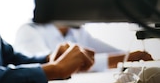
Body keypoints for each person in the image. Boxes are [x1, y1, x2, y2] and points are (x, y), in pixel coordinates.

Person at [15, 22, 153, 71]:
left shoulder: (77, 31)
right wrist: (126, 58)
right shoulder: (30, 31)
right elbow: (52, 67)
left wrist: (131, 55)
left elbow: (110, 52)